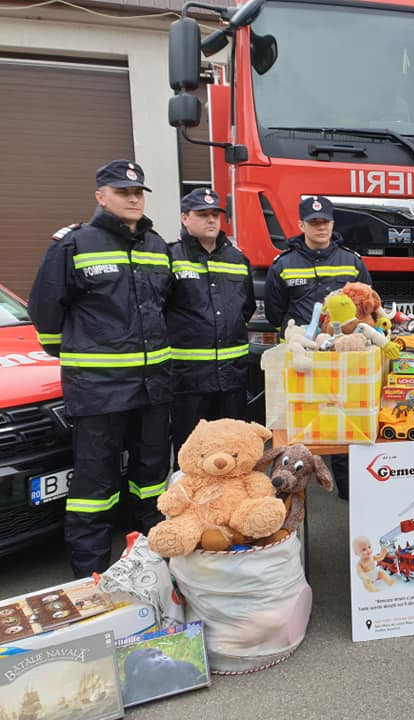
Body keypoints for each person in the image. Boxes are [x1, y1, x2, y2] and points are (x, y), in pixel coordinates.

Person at [28, 160, 173, 577]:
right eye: (122, 191)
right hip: (99, 391)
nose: (133, 198)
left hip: (151, 389)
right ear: (100, 196)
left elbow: (161, 306)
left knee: (150, 479)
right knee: (95, 487)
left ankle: (154, 567)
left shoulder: (155, 246)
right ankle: (91, 579)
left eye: (138, 192)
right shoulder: (73, 244)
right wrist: (81, 358)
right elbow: (45, 312)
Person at [264, 195, 373, 500]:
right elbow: (275, 311)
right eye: (314, 223)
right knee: (297, 423)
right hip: (304, 357)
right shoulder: (284, 264)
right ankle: (291, 490)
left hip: (344, 357)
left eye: (325, 221)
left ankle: (350, 489)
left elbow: (366, 302)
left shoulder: (351, 260)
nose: (321, 227)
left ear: (332, 223)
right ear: (301, 225)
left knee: (345, 418)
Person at [167, 188, 256, 461]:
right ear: (185, 218)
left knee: (233, 451)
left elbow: (246, 308)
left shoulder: (238, 260)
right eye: (202, 214)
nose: (211, 220)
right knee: (192, 455)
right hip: (189, 379)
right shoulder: (170, 257)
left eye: (215, 214)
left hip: (231, 379)